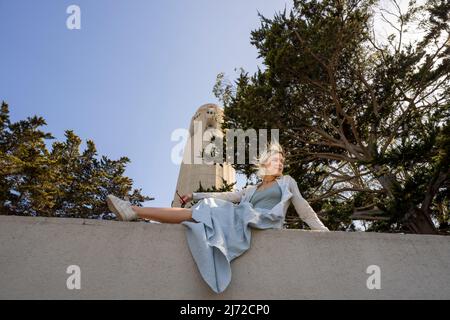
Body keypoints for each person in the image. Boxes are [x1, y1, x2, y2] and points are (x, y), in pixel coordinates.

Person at [106, 142, 329, 293]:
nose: (280, 163)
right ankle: (135, 210)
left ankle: (135, 211)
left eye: (281, 161)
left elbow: (304, 208)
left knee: (203, 212)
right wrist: (195, 194)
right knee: (200, 211)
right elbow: (227, 195)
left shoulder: (287, 182)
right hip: (243, 219)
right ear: (265, 163)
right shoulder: (251, 189)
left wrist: (324, 233)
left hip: (262, 221)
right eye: (275, 159)